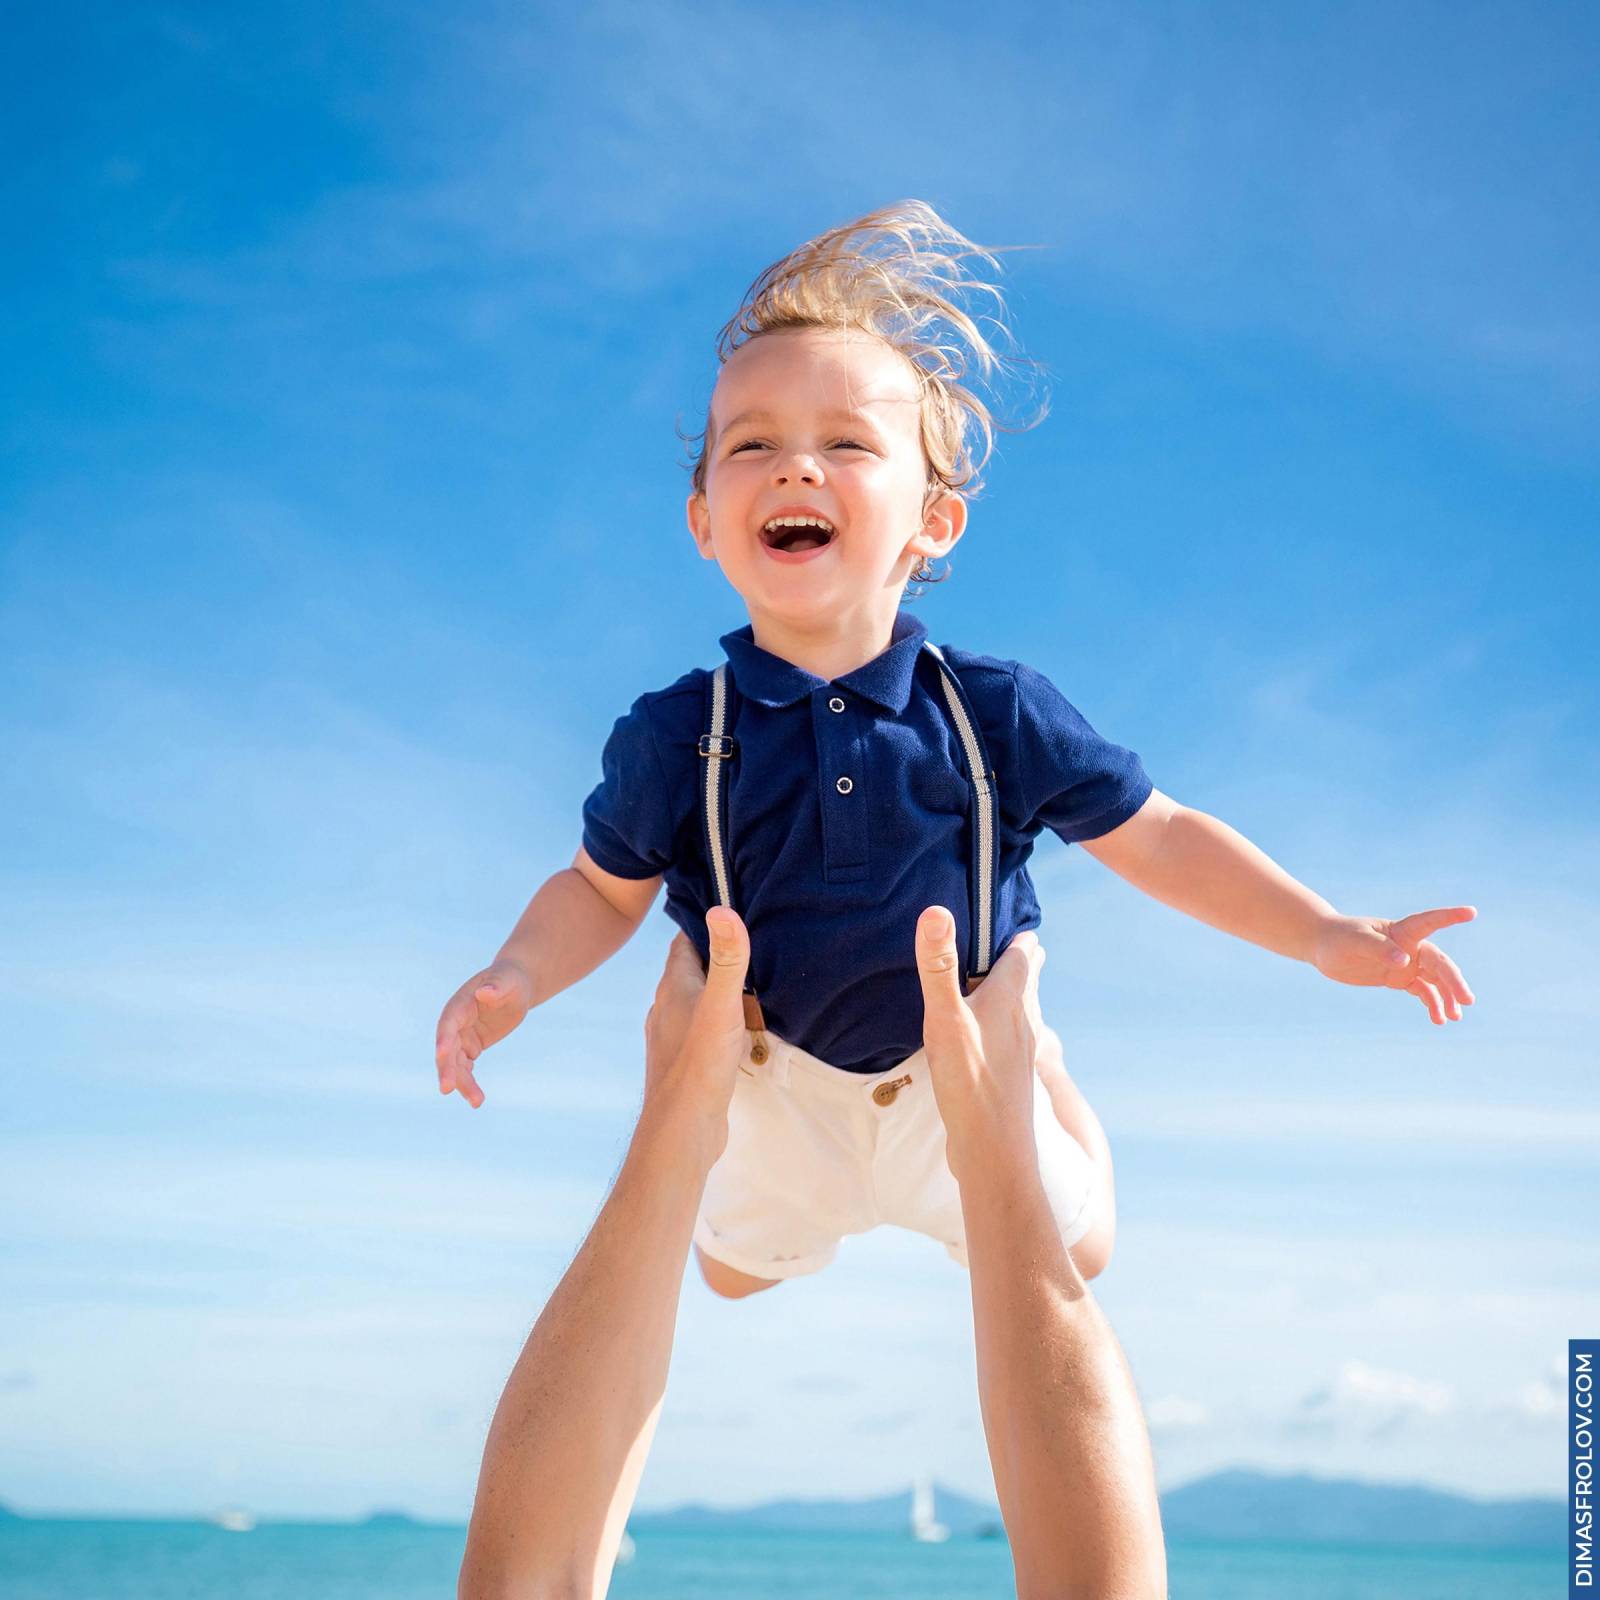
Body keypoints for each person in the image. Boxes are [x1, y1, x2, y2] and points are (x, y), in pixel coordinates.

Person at [435, 199, 1477, 1304]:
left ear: (933, 520)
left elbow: (1159, 837)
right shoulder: (676, 733)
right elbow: (601, 893)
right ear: (703, 521)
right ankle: (787, 1214)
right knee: (735, 1272)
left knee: (1077, 1250)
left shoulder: (994, 710)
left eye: (844, 442)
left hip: (959, 1066)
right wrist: (515, 977)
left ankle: (1054, 1093)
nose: (795, 467)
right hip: (773, 1078)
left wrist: (1319, 930)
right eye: (753, 444)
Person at [457, 905, 1168, 1599]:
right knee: (1084, 1243)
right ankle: (1037, 1066)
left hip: (785, 1086)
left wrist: (667, 1110)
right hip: (937, 1078)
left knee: (731, 1270)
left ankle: (1032, 1072)